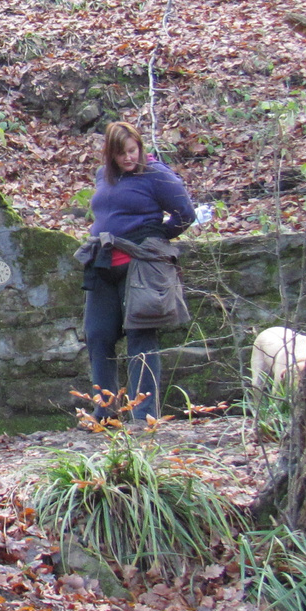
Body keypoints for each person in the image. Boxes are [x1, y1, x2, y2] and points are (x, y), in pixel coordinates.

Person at [78, 120, 196, 422]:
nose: (128, 158)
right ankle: (105, 412)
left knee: (141, 337)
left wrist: (156, 237)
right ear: (110, 155)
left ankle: (143, 416)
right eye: (121, 153)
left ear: (140, 147)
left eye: (133, 150)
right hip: (104, 263)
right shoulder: (103, 175)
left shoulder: (156, 174)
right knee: (98, 335)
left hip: (140, 266)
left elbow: (186, 214)